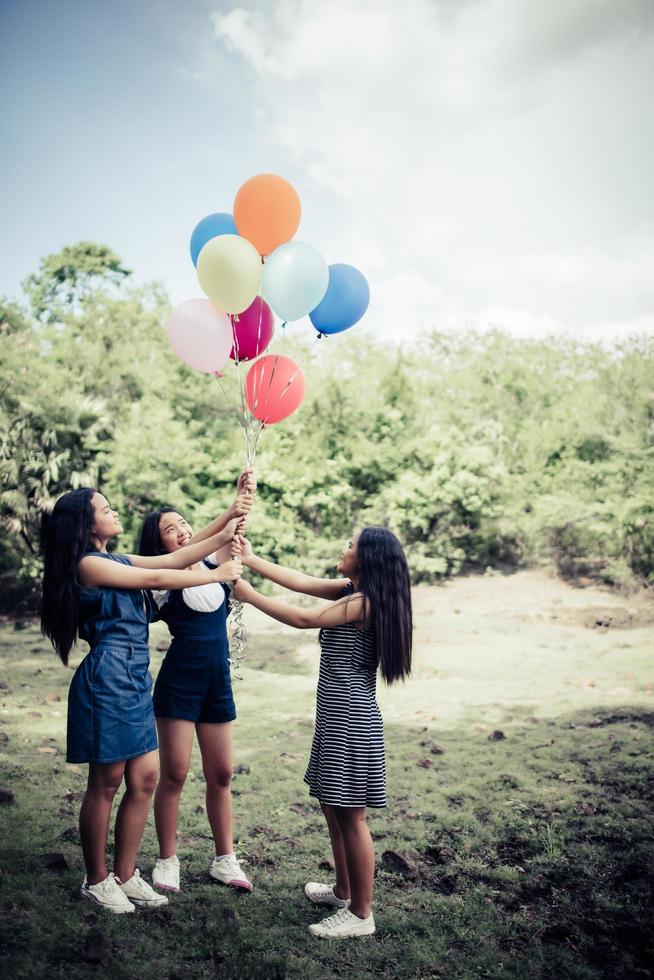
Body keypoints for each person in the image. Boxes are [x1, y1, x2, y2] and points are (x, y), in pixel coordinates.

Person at [40, 486, 245, 914]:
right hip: (108, 676)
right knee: (107, 782)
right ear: (86, 523)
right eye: (106, 509)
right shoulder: (88, 564)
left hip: (134, 675)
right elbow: (158, 577)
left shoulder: (115, 560)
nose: (114, 513)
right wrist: (215, 575)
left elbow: (174, 559)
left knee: (146, 779)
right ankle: (96, 879)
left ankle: (127, 873)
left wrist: (230, 515)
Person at [232, 526, 412, 938]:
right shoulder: (354, 590)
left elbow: (301, 618)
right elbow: (300, 583)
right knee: (333, 806)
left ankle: (361, 914)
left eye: (349, 544)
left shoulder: (364, 602)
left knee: (351, 816)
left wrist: (247, 593)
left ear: (366, 559)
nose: (343, 547)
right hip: (337, 715)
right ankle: (344, 891)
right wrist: (252, 559)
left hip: (351, 720)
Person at [138, 470, 255, 895]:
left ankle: (226, 859)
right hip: (179, 684)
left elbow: (234, 530)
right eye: (171, 530)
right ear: (160, 545)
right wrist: (228, 511)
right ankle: (167, 860)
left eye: (184, 523)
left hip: (216, 682)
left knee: (221, 772)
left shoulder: (212, 564)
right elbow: (204, 542)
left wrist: (244, 495)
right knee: (176, 774)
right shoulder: (165, 579)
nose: (183, 532)